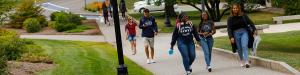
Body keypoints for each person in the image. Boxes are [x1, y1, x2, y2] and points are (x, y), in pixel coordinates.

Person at [227, 4, 257, 68]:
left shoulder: (243, 15)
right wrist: (231, 37)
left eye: (236, 8)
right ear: (232, 9)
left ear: (238, 9)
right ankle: (241, 60)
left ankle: (246, 61)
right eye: (234, 8)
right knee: (239, 48)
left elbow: (250, 22)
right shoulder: (230, 18)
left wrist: (254, 29)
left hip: (244, 32)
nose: (235, 9)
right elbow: (229, 28)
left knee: (244, 46)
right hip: (235, 33)